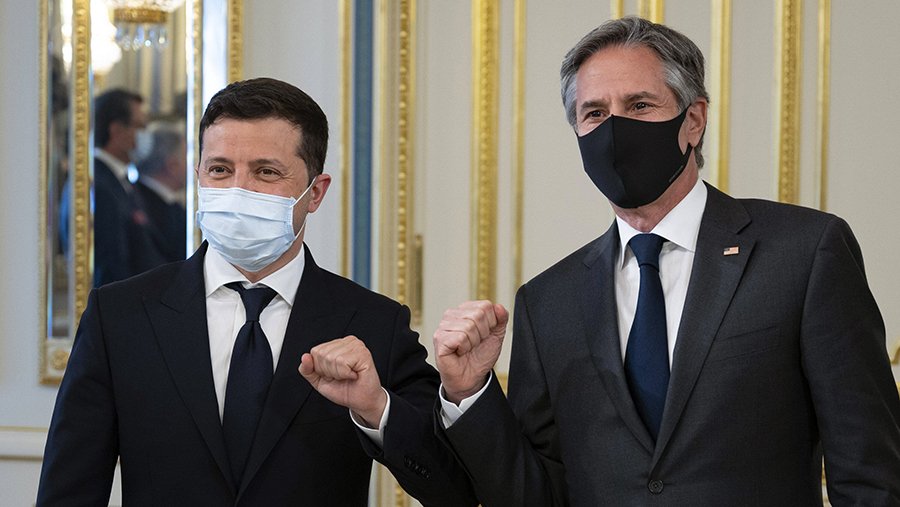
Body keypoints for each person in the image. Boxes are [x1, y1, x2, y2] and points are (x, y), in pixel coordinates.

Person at [432, 16, 900, 506]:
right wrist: (469, 393)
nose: (615, 129)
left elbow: (870, 475)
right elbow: (538, 494)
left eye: (639, 105)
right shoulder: (547, 301)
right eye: (594, 113)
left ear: (693, 120)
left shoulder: (804, 252)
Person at [38, 78, 476, 506]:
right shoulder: (120, 316)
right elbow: (69, 489)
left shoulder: (374, 323)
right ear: (198, 176)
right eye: (220, 170)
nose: (238, 190)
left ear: (315, 193)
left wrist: (377, 409)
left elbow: (452, 488)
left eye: (266, 172)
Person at [90, 88, 166, 286]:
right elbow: (111, 266)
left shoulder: (120, 180)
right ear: (116, 130)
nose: (146, 135)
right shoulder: (99, 185)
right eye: (140, 126)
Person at [134, 121, 189, 263]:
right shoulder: (138, 203)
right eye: (187, 157)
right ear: (172, 165)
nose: (194, 165)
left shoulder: (169, 205)